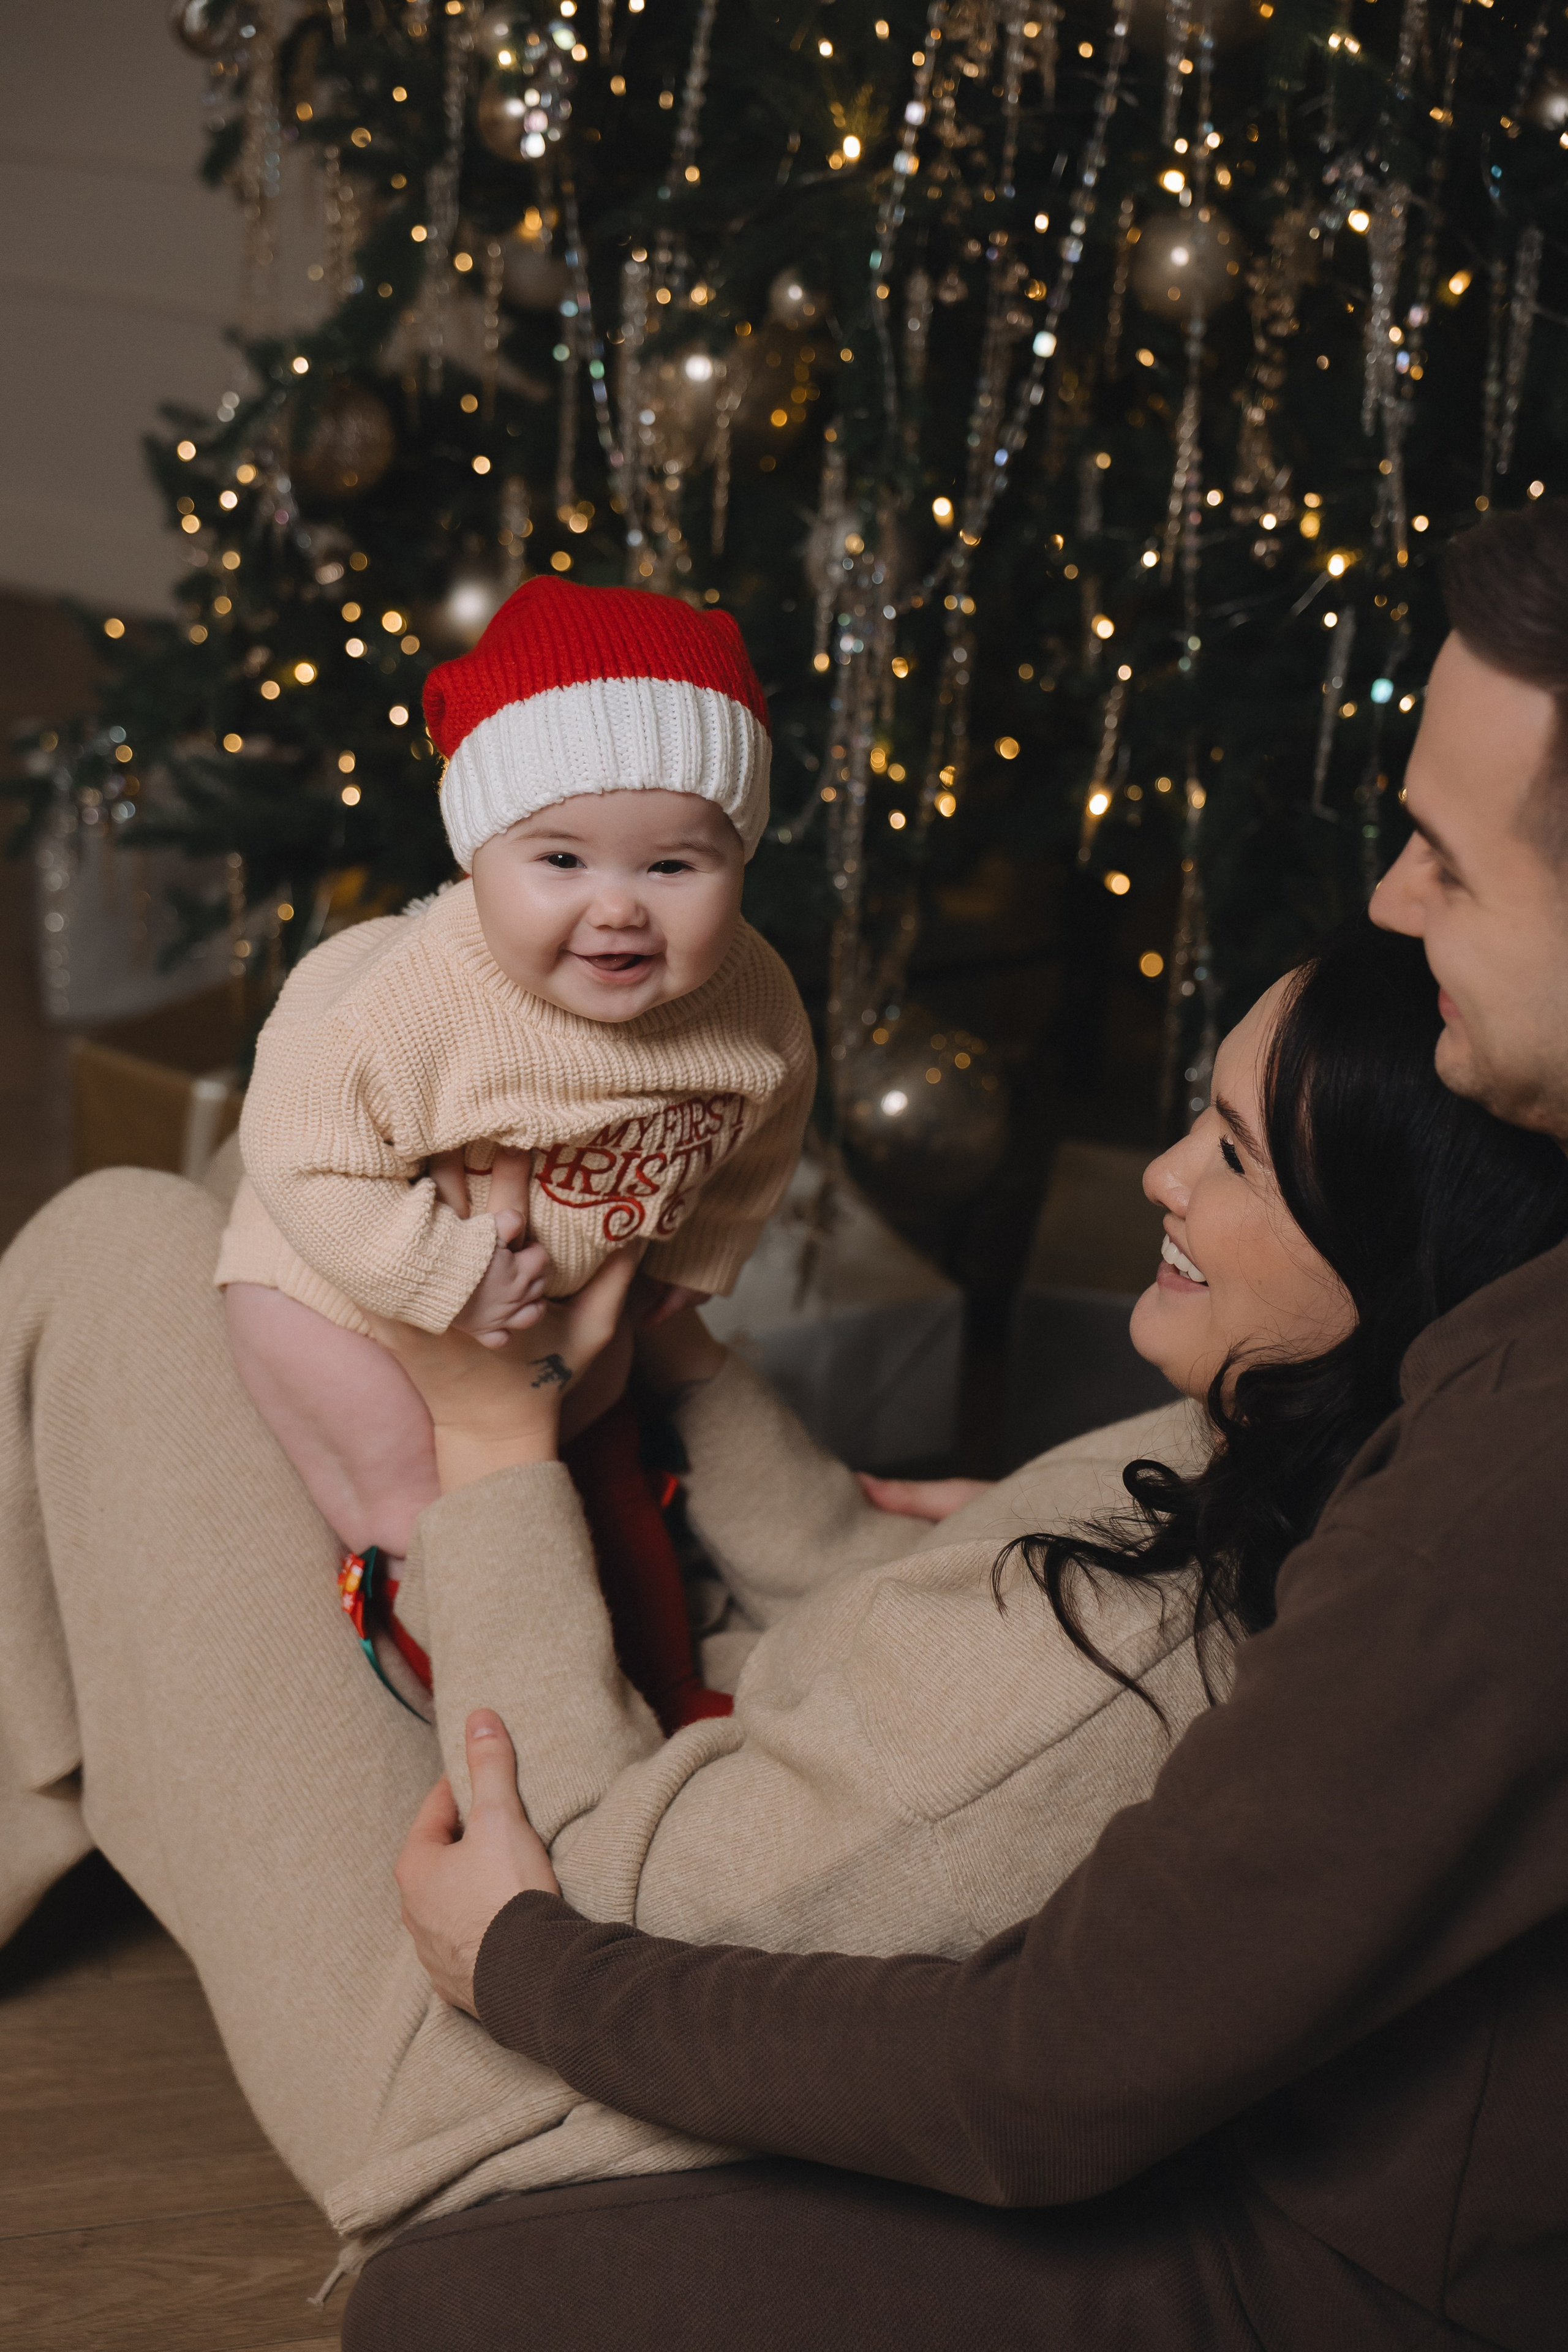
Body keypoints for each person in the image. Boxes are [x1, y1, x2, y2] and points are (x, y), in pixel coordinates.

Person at [367, 499, 1568, 2350]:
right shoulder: (1304, 1425)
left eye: (1450, 864)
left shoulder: (1499, 1462)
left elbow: (1046, 2072)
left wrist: (527, 1956)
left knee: (449, 2305)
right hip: (1116, 2051)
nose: (1395, 900)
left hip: (1318, 2263)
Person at [217, 574, 813, 1730]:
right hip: (338, 1288)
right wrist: (440, 1273)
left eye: (673, 866)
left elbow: (770, 1112)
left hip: (564, 1287)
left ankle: (663, 1690)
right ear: (475, 854)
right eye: (561, 862)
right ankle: (449, 1660)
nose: (619, 908)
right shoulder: (402, 1003)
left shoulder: (751, 1000)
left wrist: (706, 1245)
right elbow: (298, 1153)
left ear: (738, 858)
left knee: (604, 1460)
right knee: (428, 1489)